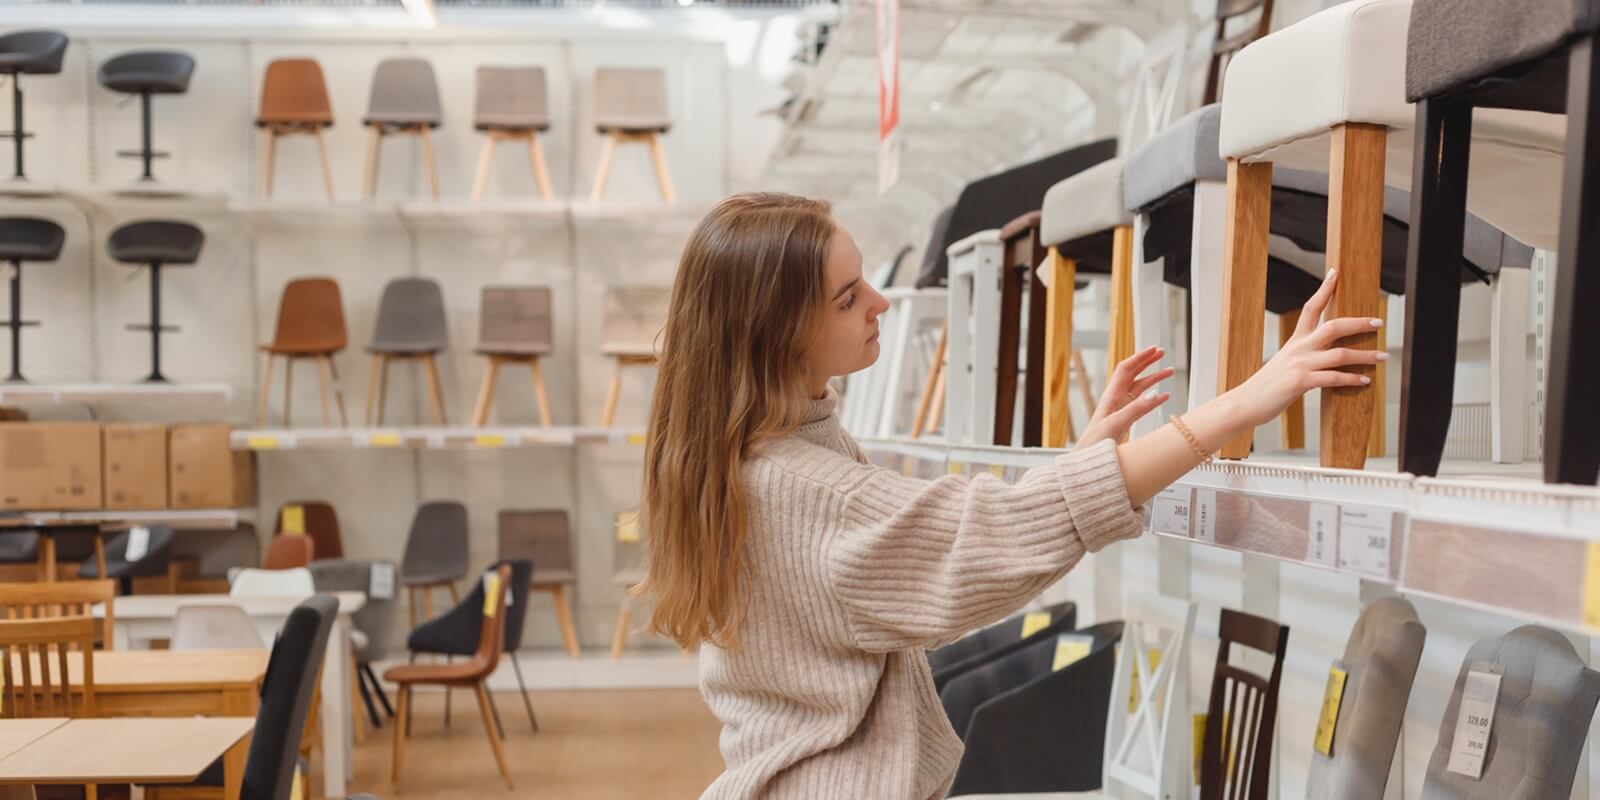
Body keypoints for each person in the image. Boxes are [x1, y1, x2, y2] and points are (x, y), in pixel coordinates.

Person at [636, 193, 1383, 798]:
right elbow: (978, 536)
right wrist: (1244, 402)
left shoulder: (756, 451)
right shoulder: (799, 489)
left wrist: (1083, 462)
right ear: (778, 334)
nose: (880, 303)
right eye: (845, 297)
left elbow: (927, 548)